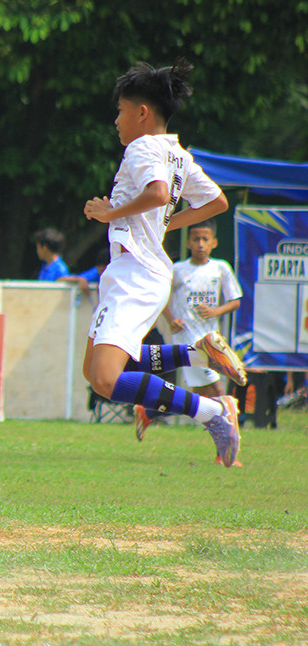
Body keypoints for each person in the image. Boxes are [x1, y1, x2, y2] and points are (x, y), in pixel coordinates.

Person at [82, 59, 245, 467]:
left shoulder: (142, 147)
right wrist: (163, 227)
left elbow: (156, 195)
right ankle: (197, 353)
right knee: (96, 370)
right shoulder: (176, 153)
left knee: (105, 378)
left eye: (120, 110)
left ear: (142, 113)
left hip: (135, 273)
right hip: (137, 270)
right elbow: (216, 203)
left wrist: (110, 214)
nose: (116, 120)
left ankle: (214, 411)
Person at [135, 221, 243, 456]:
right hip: (187, 340)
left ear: (214, 242)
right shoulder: (179, 269)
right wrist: (172, 318)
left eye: (205, 239)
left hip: (212, 340)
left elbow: (235, 300)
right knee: (216, 393)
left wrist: (215, 311)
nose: (200, 244)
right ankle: (224, 451)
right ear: (188, 242)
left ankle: (149, 412)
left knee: (200, 397)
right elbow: (161, 297)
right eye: (196, 239)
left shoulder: (220, 268)